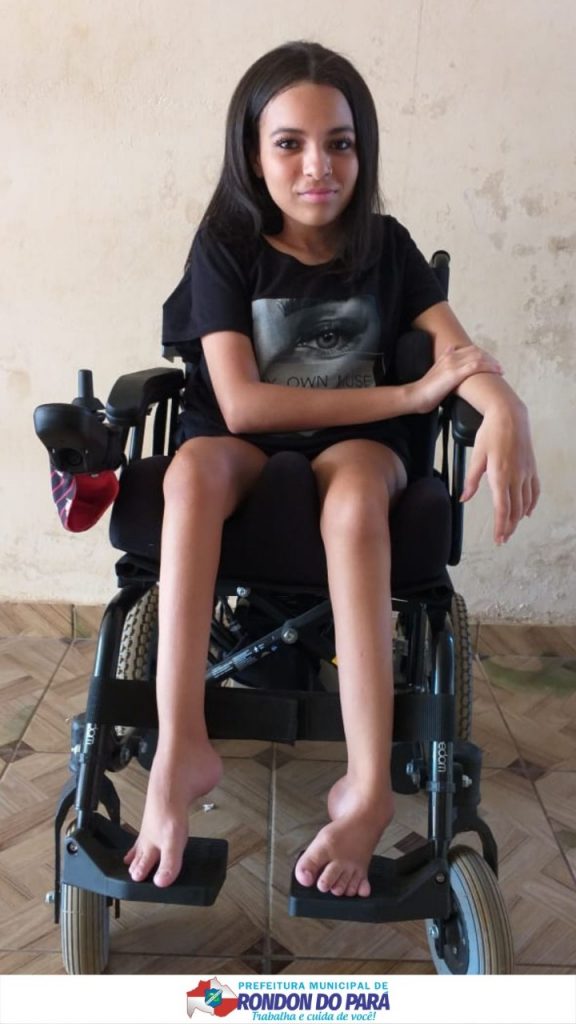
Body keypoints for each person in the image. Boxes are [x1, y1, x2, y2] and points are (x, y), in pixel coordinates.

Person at [124, 41, 539, 898]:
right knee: (188, 473)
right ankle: (179, 749)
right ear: (253, 153)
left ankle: (369, 786)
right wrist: (410, 394)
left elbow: (460, 355)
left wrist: (506, 408)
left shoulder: (386, 247)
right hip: (242, 445)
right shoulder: (228, 245)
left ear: (363, 149)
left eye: (340, 143)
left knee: (354, 502)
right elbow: (242, 406)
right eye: (290, 143)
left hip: (358, 450)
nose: (319, 166)